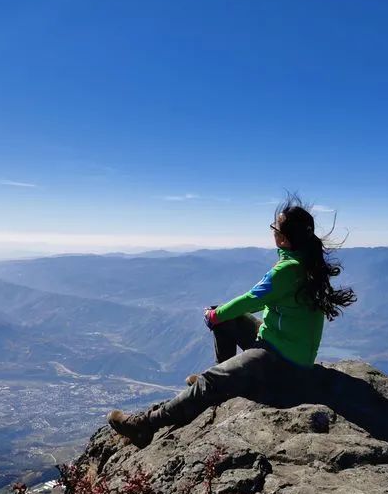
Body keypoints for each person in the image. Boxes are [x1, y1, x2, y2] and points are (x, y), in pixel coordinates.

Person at [107, 192, 357, 448]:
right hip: (288, 350)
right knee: (226, 318)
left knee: (211, 368)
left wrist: (214, 316)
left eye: (275, 227)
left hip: (282, 361)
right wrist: (221, 314)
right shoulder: (307, 262)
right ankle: (225, 380)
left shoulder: (288, 270)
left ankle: (144, 425)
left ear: (283, 237)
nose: (272, 231)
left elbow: (252, 299)